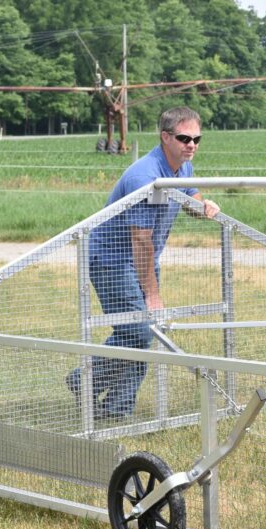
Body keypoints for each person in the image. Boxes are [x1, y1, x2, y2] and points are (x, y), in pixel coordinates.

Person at [67, 106, 219, 420]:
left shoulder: (182, 167)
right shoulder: (144, 175)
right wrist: (152, 293)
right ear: (165, 137)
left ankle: (114, 407)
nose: (191, 145)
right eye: (184, 138)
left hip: (140, 258)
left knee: (139, 333)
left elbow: (189, 193)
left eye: (196, 139)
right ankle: (85, 382)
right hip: (112, 260)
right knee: (137, 330)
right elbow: (140, 239)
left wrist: (203, 204)